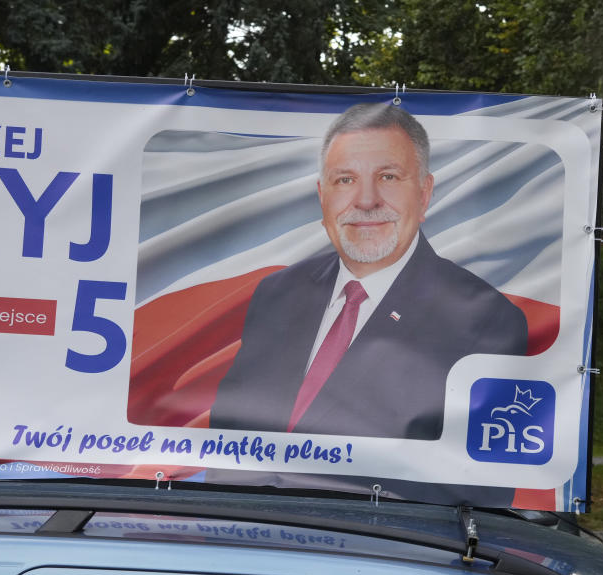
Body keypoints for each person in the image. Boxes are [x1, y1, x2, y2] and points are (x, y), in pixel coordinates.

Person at [209, 103, 529, 440]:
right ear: (323, 196)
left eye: (388, 177)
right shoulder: (276, 294)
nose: (365, 200)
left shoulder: (486, 320)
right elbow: (227, 431)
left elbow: (476, 480)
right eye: (345, 179)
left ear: (424, 194)